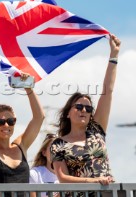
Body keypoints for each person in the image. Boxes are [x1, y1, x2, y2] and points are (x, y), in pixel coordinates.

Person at [50, 34, 121, 186]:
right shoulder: (58, 144)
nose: (84, 110)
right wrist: (93, 181)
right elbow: (63, 178)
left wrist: (114, 56)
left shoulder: (97, 130)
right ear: (68, 113)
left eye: (88, 108)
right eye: (79, 107)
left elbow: (107, 90)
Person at [0, 74, 45, 197]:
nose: (6, 125)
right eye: (0, 122)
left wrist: (28, 88)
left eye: (11, 121)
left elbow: (39, 118)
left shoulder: (20, 146)